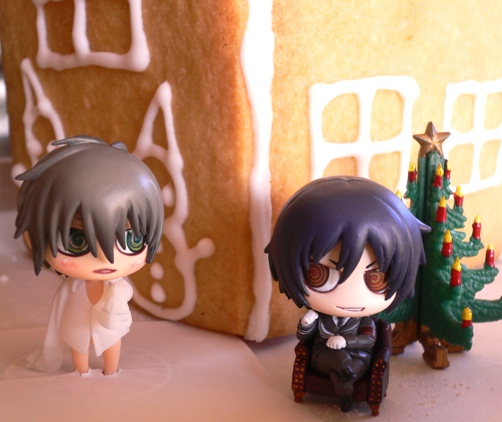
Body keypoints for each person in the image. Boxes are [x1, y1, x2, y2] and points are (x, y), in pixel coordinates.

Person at [265, 176, 429, 411]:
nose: (351, 294)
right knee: (339, 363)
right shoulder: (322, 318)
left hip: (359, 359)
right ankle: (345, 382)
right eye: (321, 274)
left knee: (348, 365)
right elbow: (303, 337)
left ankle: (344, 384)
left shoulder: (365, 323)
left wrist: (345, 341)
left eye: (376, 278)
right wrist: (307, 322)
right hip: (322, 357)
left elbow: (369, 340)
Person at [15, 135, 164, 375]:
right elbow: (57, 316)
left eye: (131, 240)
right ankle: (81, 373)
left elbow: (125, 294)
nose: (106, 259)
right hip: (76, 329)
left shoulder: (119, 287)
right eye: (77, 241)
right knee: (79, 347)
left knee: (112, 344)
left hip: (110, 330)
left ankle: (111, 371)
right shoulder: (69, 289)